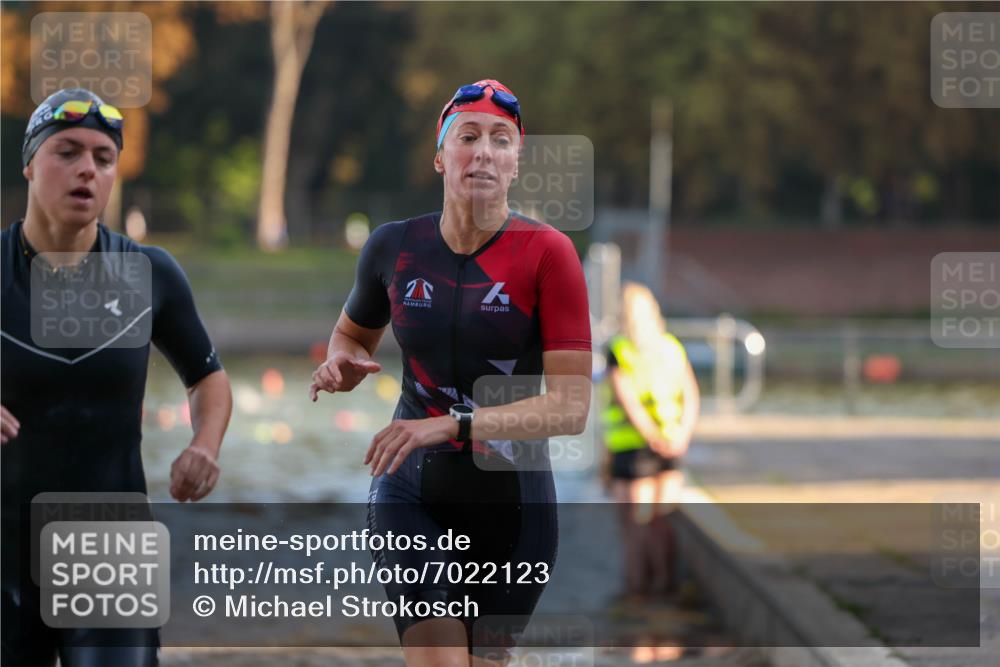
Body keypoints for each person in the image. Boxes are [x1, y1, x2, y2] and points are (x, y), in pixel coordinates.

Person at [310, 79, 592, 665]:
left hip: (513, 501)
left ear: (517, 163)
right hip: (410, 485)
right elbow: (352, 334)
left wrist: (450, 425)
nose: (484, 152)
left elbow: (570, 408)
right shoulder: (393, 248)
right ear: (440, 156)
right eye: (468, 137)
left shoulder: (549, 255)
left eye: (501, 140)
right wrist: (340, 360)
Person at [1, 88, 233, 667]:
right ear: (29, 163)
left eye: (103, 159)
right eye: (67, 152)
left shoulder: (149, 274)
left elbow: (208, 378)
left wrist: (204, 445)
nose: (87, 169)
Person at [602, 282, 699, 600]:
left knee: (635, 526)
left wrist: (652, 439)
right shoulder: (671, 346)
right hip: (672, 444)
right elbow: (691, 394)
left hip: (634, 448)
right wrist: (681, 435)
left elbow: (626, 399)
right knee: (663, 519)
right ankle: (665, 585)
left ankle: (636, 590)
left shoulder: (618, 349)